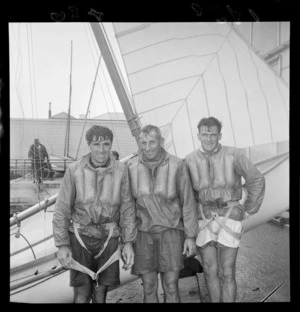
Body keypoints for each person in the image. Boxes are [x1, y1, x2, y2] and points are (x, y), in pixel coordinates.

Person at [52, 125, 137, 303]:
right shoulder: (74, 170)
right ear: (89, 145)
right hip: (80, 237)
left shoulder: (121, 171)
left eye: (106, 144)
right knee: (82, 296)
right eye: (96, 144)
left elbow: (127, 209)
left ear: (111, 144)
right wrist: (62, 245)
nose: (101, 150)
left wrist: (128, 242)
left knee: (100, 296)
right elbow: (62, 209)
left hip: (109, 239)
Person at [185, 117, 265, 302]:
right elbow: (186, 194)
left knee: (227, 272)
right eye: (205, 134)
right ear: (198, 135)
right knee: (210, 271)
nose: (209, 138)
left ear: (219, 135)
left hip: (229, 217)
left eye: (213, 134)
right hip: (204, 219)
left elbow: (256, 179)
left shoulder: (234, 154)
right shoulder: (189, 160)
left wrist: (247, 210)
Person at [126, 125, 198, 303]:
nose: (148, 147)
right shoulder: (131, 166)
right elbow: (126, 207)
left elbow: (188, 202)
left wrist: (190, 236)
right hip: (143, 235)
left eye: (152, 142)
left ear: (161, 142)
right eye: (144, 143)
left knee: (171, 286)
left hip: (171, 232)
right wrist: (127, 241)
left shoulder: (177, 164)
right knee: (149, 287)